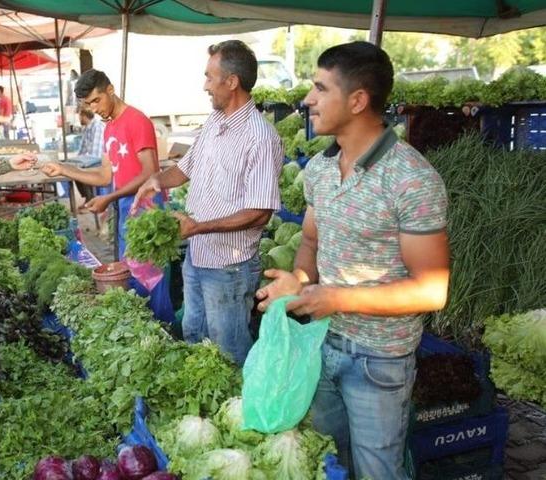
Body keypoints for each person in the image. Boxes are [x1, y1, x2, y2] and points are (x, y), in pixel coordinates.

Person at [255, 41, 450, 479]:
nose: (308, 99)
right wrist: (298, 279)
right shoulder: (320, 169)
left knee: (377, 471)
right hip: (321, 343)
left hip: (378, 361)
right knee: (329, 462)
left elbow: (432, 290)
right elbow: (310, 241)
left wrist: (336, 298)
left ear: (358, 100)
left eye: (321, 88)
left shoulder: (412, 179)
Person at [133, 40, 283, 366]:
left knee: (229, 352)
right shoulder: (214, 122)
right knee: (194, 335)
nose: (205, 86)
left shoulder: (260, 137)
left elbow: (260, 212)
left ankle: (239, 399)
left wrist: (199, 227)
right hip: (197, 256)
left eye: (209, 77)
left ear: (232, 82)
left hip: (229, 267)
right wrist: (156, 180)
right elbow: (185, 168)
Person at [42, 69, 174, 324]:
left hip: (148, 213)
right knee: (133, 278)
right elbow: (105, 175)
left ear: (110, 90)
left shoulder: (136, 120)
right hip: (126, 209)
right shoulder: (109, 128)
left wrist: (110, 197)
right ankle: (144, 333)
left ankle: (164, 332)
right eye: (88, 104)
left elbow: (149, 172)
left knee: (151, 281)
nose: (94, 109)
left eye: (96, 100)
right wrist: (64, 169)